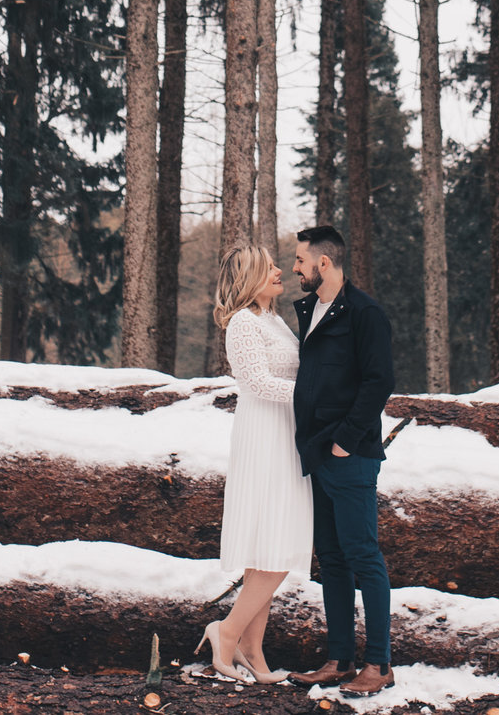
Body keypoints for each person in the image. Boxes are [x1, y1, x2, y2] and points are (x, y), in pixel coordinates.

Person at [286, 223, 395, 695]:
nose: (295, 268)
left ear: (323, 263)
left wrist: (345, 441)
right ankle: (340, 659)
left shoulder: (365, 313)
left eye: (299, 260)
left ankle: (380, 665)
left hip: (349, 455)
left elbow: (379, 382)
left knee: (363, 557)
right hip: (318, 453)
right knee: (331, 559)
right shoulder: (311, 309)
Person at [199, 243, 309, 684]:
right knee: (278, 544)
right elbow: (258, 384)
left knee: (270, 545)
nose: (281, 270)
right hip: (265, 437)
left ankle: (252, 649)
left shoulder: (274, 320)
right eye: (270, 268)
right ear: (249, 278)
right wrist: (315, 398)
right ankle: (224, 631)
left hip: (288, 434)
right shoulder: (242, 322)